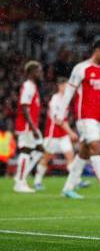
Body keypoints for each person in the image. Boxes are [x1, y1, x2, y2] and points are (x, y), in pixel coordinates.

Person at [57, 40, 100, 199]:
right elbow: (68, 92)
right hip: (84, 117)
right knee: (96, 146)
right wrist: (61, 114)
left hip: (98, 118)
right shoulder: (81, 69)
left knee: (84, 152)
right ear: (97, 51)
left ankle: (68, 188)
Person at [34, 77, 80, 190]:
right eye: (65, 85)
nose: (67, 88)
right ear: (60, 86)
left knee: (70, 156)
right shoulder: (55, 99)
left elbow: (64, 119)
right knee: (46, 158)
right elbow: (59, 121)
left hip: (62, 135)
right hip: (52, 134)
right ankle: (37, 181)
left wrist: (68, 133)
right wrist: (71, 132)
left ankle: (76, 181)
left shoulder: (65, 99)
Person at [13, 61, 44, 193]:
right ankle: (20, 183)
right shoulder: (28, 86)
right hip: (27, 126)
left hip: (31, 125)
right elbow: (24, 107)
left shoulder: (32, 86)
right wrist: (32, 128)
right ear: (32, 72)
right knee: (25, 151)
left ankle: (20, 177)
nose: (41, 73)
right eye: (39, 71)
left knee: (39, 149)